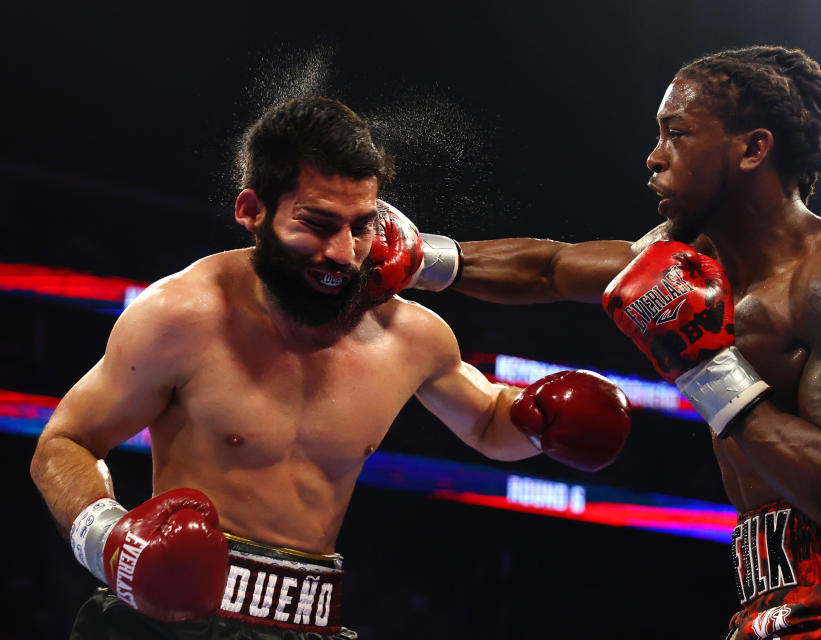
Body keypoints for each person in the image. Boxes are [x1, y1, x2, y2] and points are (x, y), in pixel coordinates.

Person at [29, 96, 634, 640]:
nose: (342, 254)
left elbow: (486, 425)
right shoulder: (182, 315)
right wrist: (109, 539)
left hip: (312, 619)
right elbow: (64, 444)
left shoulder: (410, 334)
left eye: (362, 225)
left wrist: (537, 419)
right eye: (317, 224)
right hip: (170, 618)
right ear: (252, 210)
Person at [409, 46, 821, 639]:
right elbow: (550, 268)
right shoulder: (689, 259)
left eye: (677, 134)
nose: (654, 157)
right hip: (766, 590)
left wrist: (704, 364)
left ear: (752, 149)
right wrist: (412, 258)